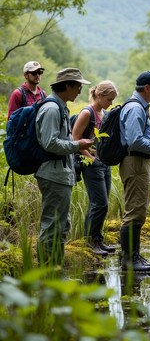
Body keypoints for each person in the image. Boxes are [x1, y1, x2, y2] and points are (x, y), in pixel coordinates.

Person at [35, 68, 93, 269]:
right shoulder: (52, 109)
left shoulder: (60, 107)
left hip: (60, 174)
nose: (79, 90)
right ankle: (48, 274)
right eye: (78, 86)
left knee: (61, 225)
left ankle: (55, 271)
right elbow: (50, 143)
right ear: (67, 85)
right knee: (52, 226)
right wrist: (77, 145)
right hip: (53, 175)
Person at [119, 71, 150, 271]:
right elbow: (134, 140)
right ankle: (129, 260)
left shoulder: (140, 107)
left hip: (140, 161)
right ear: (147, 88)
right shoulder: (135, 108)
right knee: (134, 212)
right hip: (135, 162)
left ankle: (133, 256)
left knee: (138, 211)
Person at [72, 80, 119, 256]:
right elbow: (75, 139)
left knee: (103, 204)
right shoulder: (87, 113)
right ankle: (89, 241)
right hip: (91, 164)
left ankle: (97, 239)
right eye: (109, 99)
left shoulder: (104, 113)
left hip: (103, 163)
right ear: (99, 96)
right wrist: (90, 158)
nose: (111, 103)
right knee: (99, 203)